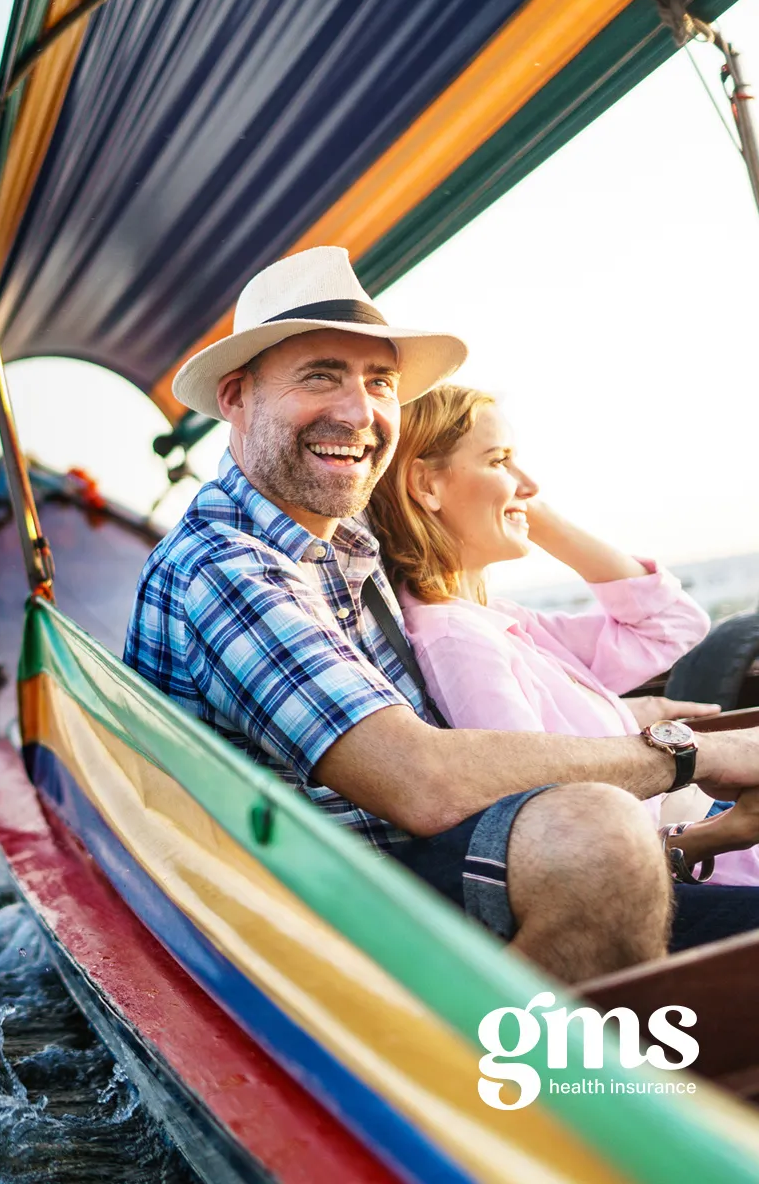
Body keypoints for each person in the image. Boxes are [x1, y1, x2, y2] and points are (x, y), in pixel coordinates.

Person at [124, 245, 759, 984]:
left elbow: (640, 628)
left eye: (380, 383)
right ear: (236, 398)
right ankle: (512, 1089)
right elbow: (419, 779)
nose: (358, 411)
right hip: (314, 922)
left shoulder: (351, 544)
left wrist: (636, 708)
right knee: (595, 832)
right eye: (321, 376)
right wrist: (690, 754)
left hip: (419, 872)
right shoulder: (224, 567)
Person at [366, 383, 759, 890]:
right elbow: (557, 819)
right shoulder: (457, 640)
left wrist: (529, 512)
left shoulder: (501, 622)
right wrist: (722, 832)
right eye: (499, 460)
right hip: (692, 867)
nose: (529, 482)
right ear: (426, 485)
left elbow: (672, 626)